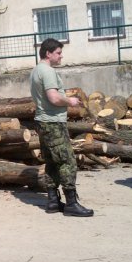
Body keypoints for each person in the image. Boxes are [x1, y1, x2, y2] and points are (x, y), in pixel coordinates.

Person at [30, 38, 94, 217]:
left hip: (43, 122)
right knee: (67, 162)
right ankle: (71, 203)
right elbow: (53, 97)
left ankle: (52, 201)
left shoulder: (35, 71)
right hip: (53, 122)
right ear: (48, 53)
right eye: (58, 52)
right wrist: (70, 101)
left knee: (51, 162)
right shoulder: (48, 72)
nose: (61, 56)